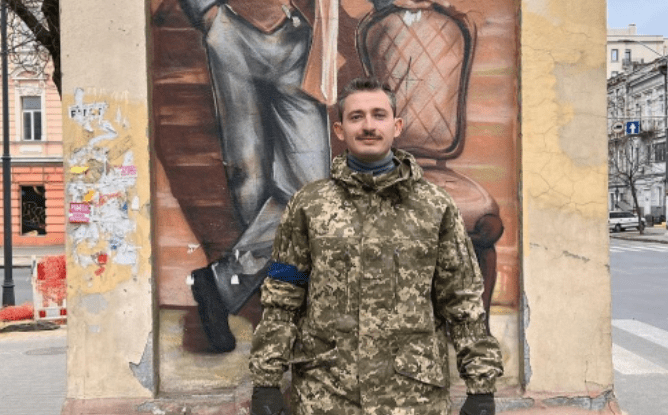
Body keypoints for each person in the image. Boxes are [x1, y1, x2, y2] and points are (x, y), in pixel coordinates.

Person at [249, 77, 503, 415]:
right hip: (325, 394)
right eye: (356, 117)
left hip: (412, 397)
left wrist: (481, 388)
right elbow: (284, 291)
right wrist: (266, 381)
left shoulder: (434, 206)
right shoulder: (309, 206)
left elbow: (461, 298)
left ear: (396, 126)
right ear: (339, 130)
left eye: (378, 115)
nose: (368, 126)